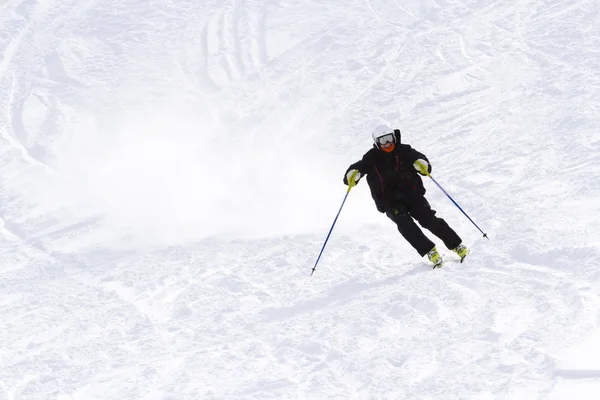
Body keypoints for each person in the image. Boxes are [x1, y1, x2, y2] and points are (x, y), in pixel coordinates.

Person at [343, 124, 469, 268]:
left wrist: (421, 164)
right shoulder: (371, 157)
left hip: (412, 194)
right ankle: (429, 251)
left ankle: (456, 245)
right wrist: (352, 174)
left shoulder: (404, 151)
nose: (387, 144)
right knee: (405, 224)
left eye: (390, 139)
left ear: (394, 137)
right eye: (383, 141)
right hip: (390, 201)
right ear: (377, 143)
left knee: (428, 219)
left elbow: (419, 158)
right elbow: (358, 167)